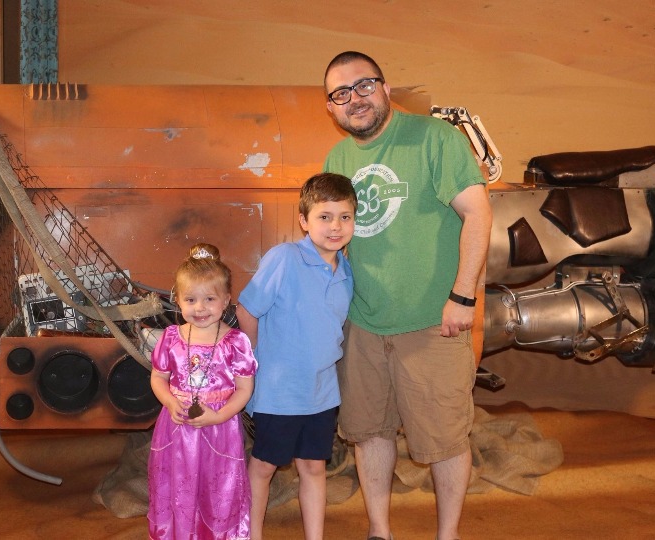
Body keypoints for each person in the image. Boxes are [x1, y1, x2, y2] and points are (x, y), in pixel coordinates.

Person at [322, 51, 493, 540]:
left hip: (432, 321)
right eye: (340, 94)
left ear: (385, 87)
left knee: (444, 437)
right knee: (369, 429)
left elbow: (478, 215)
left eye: (363, 85)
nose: (354, 99)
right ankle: (380, 530)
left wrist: (462, 297)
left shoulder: (435, 139)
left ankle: (447, 534)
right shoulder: (337, 159)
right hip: (362, 323)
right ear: (330, 107)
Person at [236, 173, 357, 540]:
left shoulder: (347, 270)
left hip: (321, 393)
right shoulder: (284, 258)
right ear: (304, 220)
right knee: (263, 468)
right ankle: (251, 535)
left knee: (314, 467)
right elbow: (247, 310)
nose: (335, 226)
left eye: (345, 217)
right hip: (279, 392)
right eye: (324, 216)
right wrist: (255, 363)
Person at [147, 243, 257, 540]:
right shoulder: (170, 338)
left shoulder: (236, 342)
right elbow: (158, 378)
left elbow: (245, 389)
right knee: (178, 485)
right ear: (178, 300)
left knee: (216, 489)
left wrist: (218, 415)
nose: (200, 307)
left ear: (226, 300)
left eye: (210, 298)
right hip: (176, 429)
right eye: (191, 299)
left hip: (220, 430)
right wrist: (170, 402)